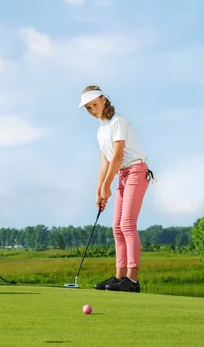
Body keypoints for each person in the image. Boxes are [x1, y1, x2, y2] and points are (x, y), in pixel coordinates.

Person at [79, 86, 153, 293]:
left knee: (127, 224)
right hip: (121, 174)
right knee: (117, 227)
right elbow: (105, 161)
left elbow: (118, 156)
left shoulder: (118, 121)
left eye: (95, 104)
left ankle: (132, 280)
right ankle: (120, 277)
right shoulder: (101, 130)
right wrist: (98, 190)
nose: (93, 110)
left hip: (136, 171)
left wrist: (107, 185)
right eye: (88, 108)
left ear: (103, 100)